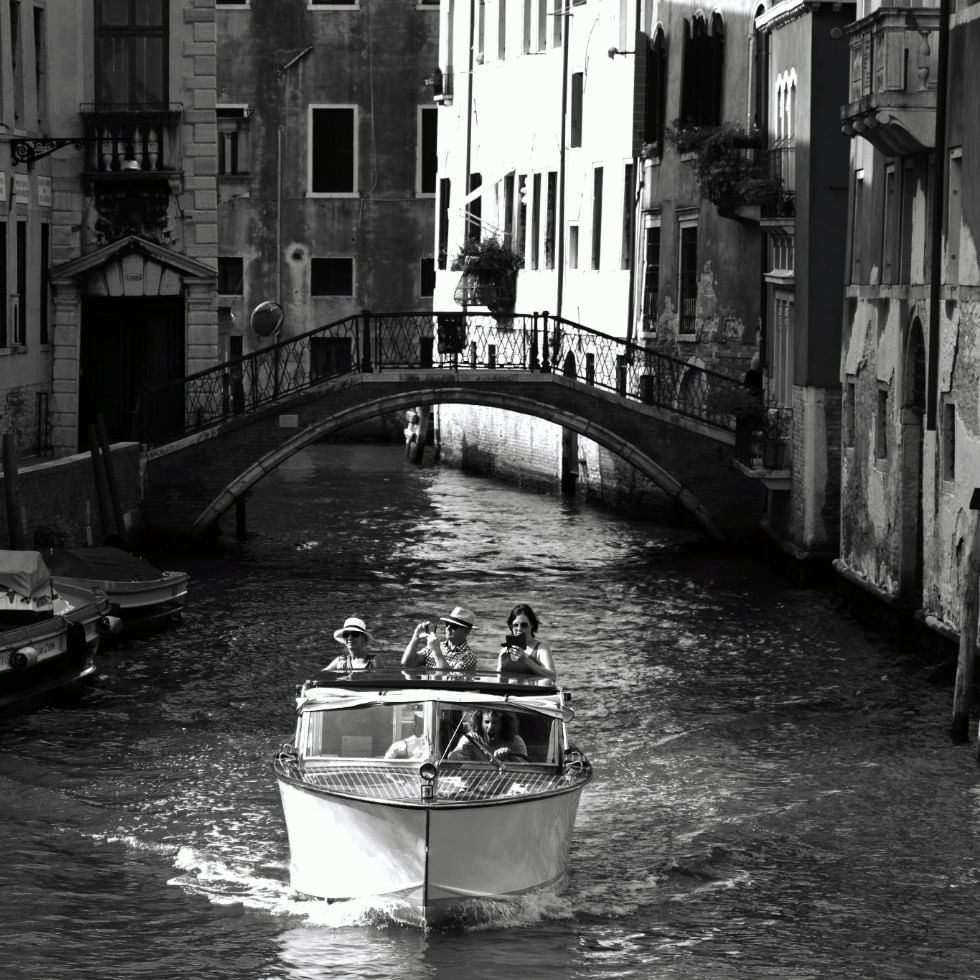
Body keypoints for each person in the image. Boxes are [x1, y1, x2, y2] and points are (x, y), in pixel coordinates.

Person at [402, 605, 478, 671]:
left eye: (454, 626)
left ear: (467, 631)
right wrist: (415, 638)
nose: (448, 628)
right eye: (447, 624)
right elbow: (408, 663)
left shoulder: (468, 657)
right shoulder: (436, 646)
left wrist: (437, 651)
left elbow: (448, 680)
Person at [496, 603, 556, 680]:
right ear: (511, 626)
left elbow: (552, 676)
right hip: (508, 691)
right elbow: (498, 679)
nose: (519, 628)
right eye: (515, 625)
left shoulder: (541, 649)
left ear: (532, 625)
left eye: (524, 625)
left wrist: (525, 660)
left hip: (533, 691)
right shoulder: (504, 651)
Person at [448, 709, 528, 763]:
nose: (490, 726)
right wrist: (455, 756)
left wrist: (511, 756)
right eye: (487, 722)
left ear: (504, 724)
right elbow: (455, 760)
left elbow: (528, 771)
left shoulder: (515, 741)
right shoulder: (470, 739)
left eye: (495, 722)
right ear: (479, 723)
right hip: (476, 786)